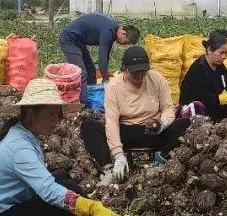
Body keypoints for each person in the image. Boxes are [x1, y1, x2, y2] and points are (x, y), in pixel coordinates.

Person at [0, 78, 119, 216]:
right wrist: (90, 207)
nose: (56, 120)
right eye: (51, 114)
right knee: (58, 195)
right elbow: (49, 191)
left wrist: (77, 203)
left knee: (61, 177)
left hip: (9, 210)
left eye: (57, 114)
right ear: (31, 115)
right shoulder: (20, 148)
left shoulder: (22, 133)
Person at [81, 46, 191, 184]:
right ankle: (109, 169)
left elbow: (168, 108)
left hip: (153, 130)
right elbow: (112, 122)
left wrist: (162, 124)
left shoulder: (156, 79)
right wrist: (118, 154)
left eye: (143, 72)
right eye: (135, 73)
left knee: (184, 123)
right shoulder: (114, 87)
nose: (139, 76)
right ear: (124, 68)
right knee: (89, 126)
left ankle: (161, 160)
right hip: (126, 132)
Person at [58, 13, 140, 103]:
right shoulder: (108, 31)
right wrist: (106, 81)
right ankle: (83, 104)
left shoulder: (112, 31)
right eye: (126, 42)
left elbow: (106, 56)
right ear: (123, 33)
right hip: (69, 40)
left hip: (78, 41)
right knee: (81, 73)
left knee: (91, 70)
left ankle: (92, 96)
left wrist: (105, 77)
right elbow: (102, 56)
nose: (124, 45)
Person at [179, 30, 227, 122]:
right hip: (197, 110)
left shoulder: (219, 66)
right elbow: (204, 98)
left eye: (226, 53)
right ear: (209, 50)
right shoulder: (199, 69)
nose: (224, 57)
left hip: (213, 107)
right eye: (221, 53)